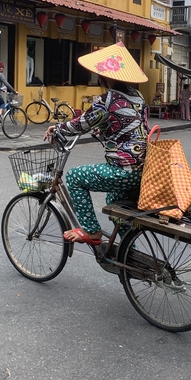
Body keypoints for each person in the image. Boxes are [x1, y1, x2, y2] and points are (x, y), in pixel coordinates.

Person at [44, 42, 149, 246]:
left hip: (123, 171)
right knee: (113, 200)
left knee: (74, 177)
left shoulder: (107, 99)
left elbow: (81, 123)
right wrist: (107, 128)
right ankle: (129, 249)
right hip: (141, 169)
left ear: (105, 76)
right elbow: (133, 125)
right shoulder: (138, 96)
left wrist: (57, 128)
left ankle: (91, 231)